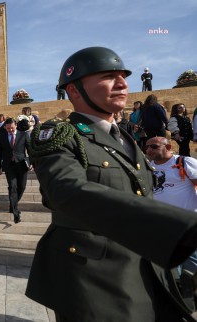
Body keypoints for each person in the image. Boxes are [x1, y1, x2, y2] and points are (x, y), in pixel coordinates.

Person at [26, 46, 197, 321]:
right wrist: (175, 225)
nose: (122, 84)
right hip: (96, 280)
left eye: (123, 76)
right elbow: (66, 191)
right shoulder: (58, 136)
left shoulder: (128, 139)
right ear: (74, 90)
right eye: (107, 76)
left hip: (149, 270)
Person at [147, 136, 197, 306]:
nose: (149, 150)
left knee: (192, 263)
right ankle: (181, 299)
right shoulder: (148, 167)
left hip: (187, 224)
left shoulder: (184, 162)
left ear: (168, 146)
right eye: (147, 147)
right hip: (162, 226)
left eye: (153, 146)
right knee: (172, 266)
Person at [0, 117, 30, 224]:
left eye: (12, 128)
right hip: (9, 166)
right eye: (8, 128)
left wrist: (32, 162)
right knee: (13, 186)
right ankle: (15, 212)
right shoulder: (1, 136)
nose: (10, 130)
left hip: (22, 164)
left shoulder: (24, 135)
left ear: (15, 125)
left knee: (22, 187)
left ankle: (12, 204)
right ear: (5, 127)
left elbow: (30, 149)